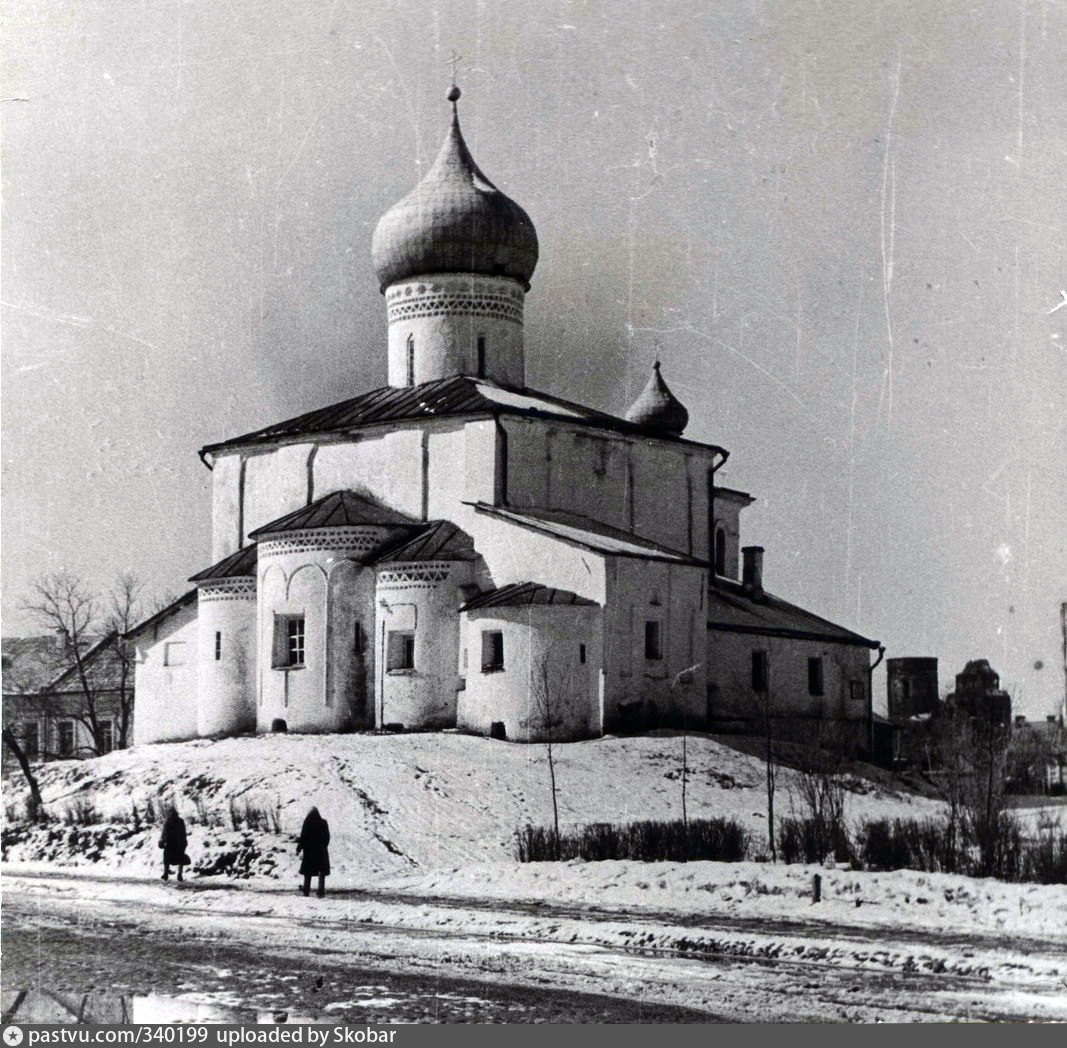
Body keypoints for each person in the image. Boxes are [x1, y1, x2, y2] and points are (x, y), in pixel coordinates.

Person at [297, 806, 330, 898]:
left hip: (309, 851)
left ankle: (306, 889)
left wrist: (299, 848)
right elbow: (327, 837)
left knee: (308, 872)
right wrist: (323, 846)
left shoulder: (307, 823)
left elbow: (303, 837)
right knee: (321, 872)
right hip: (321, 852)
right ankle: (321, 891)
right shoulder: (323, 823)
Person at [159, 806, 189, 883]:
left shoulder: (168, 821)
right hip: (178, 843)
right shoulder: (180, 821)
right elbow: (183, 832)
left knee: (167, 858)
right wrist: (184, 841)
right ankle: (179, 873)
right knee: (180, 858)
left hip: (170, 843)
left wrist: (162, 841)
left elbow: (164, 833)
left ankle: (166, 873)